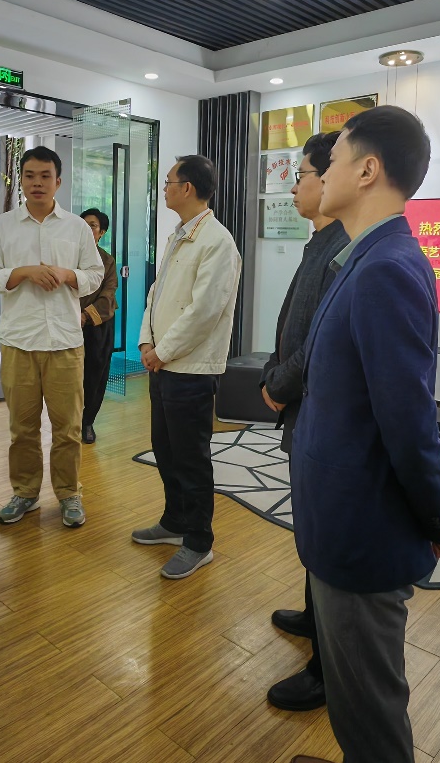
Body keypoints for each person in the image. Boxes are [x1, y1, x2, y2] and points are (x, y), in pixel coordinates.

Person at [289, 106, 440, 763]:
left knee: (370, 706)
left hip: (362, 524)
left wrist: (433, 510)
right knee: (351, 691)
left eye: (333, 159)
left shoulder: (385, 266)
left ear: (366, 170)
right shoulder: (363, 255)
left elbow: (408, 416)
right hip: (341, 511)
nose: (322, 172)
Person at [261, 132, 349, 713]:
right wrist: (274, 374)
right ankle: (313, 614)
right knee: (311, 526)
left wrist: (278, 384)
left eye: (305, 174)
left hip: (318, 410)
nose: (295, 186)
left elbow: (320, 341)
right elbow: (295, 324)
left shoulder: (347, 248)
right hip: (302, 407)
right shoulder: (320, 241)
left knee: (325, 532)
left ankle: (325, 666)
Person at [0, 146, 105, 529]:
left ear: (57, 182)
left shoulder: (77, 228)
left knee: (68, 428)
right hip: (19, 342)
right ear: (21, 180)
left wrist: (67, 275)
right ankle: (25, 493)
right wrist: (24, 272)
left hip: (65, 342)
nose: (37, 183)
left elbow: (95, 275)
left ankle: (69, 494)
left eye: (45, 176)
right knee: (22, 429)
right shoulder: (2, 226)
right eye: (30, 175)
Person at [131, 155, 242, 580]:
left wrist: (162, 351)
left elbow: (204, 311)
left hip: (191, 369)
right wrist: (146, 341)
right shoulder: (179, 235)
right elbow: (156, 294)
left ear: (188, 188)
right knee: (165, 449)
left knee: (191, 458)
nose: (164, 188)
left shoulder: (218, 242)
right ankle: (174, 521)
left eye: (169, 182)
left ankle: (198, 541)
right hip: (164, 364)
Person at [79, 208, 119, 445]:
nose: (87, 229)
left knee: (95, 375)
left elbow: (108, 294)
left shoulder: (107, 261)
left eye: (92, 225)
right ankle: (69, 421)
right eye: (83, 224)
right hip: (69, 324)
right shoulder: (68, 257)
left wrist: (85, 315)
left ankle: (87, 422)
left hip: (98, 326)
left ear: (101, 232)